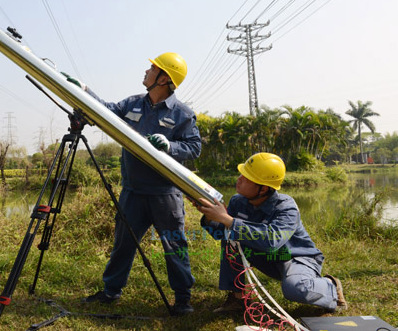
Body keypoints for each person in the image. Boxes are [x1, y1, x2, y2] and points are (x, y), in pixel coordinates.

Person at [62, 52, 201, 315]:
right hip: (133, 192)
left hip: (165, 194)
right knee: (123, 243)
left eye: (152, 69)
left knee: (174, 245)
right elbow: (106, 110)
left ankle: (183, 298)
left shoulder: (182, 114)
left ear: (163, 78)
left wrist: (170, 145)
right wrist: (83, 90)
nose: (146, 71)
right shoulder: (134, 103)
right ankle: (111, 291)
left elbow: (194, 148)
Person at [195, 152, 347, 314]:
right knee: (231, 237)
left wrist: (229, 220)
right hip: (268, 258)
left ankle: (330, 285)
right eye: (242, 174)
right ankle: (238, 298)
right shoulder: (237, 201)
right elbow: (222, 234)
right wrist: (211, 218)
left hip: (296, 258)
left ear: (263, 189)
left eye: (247, 178)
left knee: (296, 289)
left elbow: (271, 241)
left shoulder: (286, 207)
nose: (239, 179)